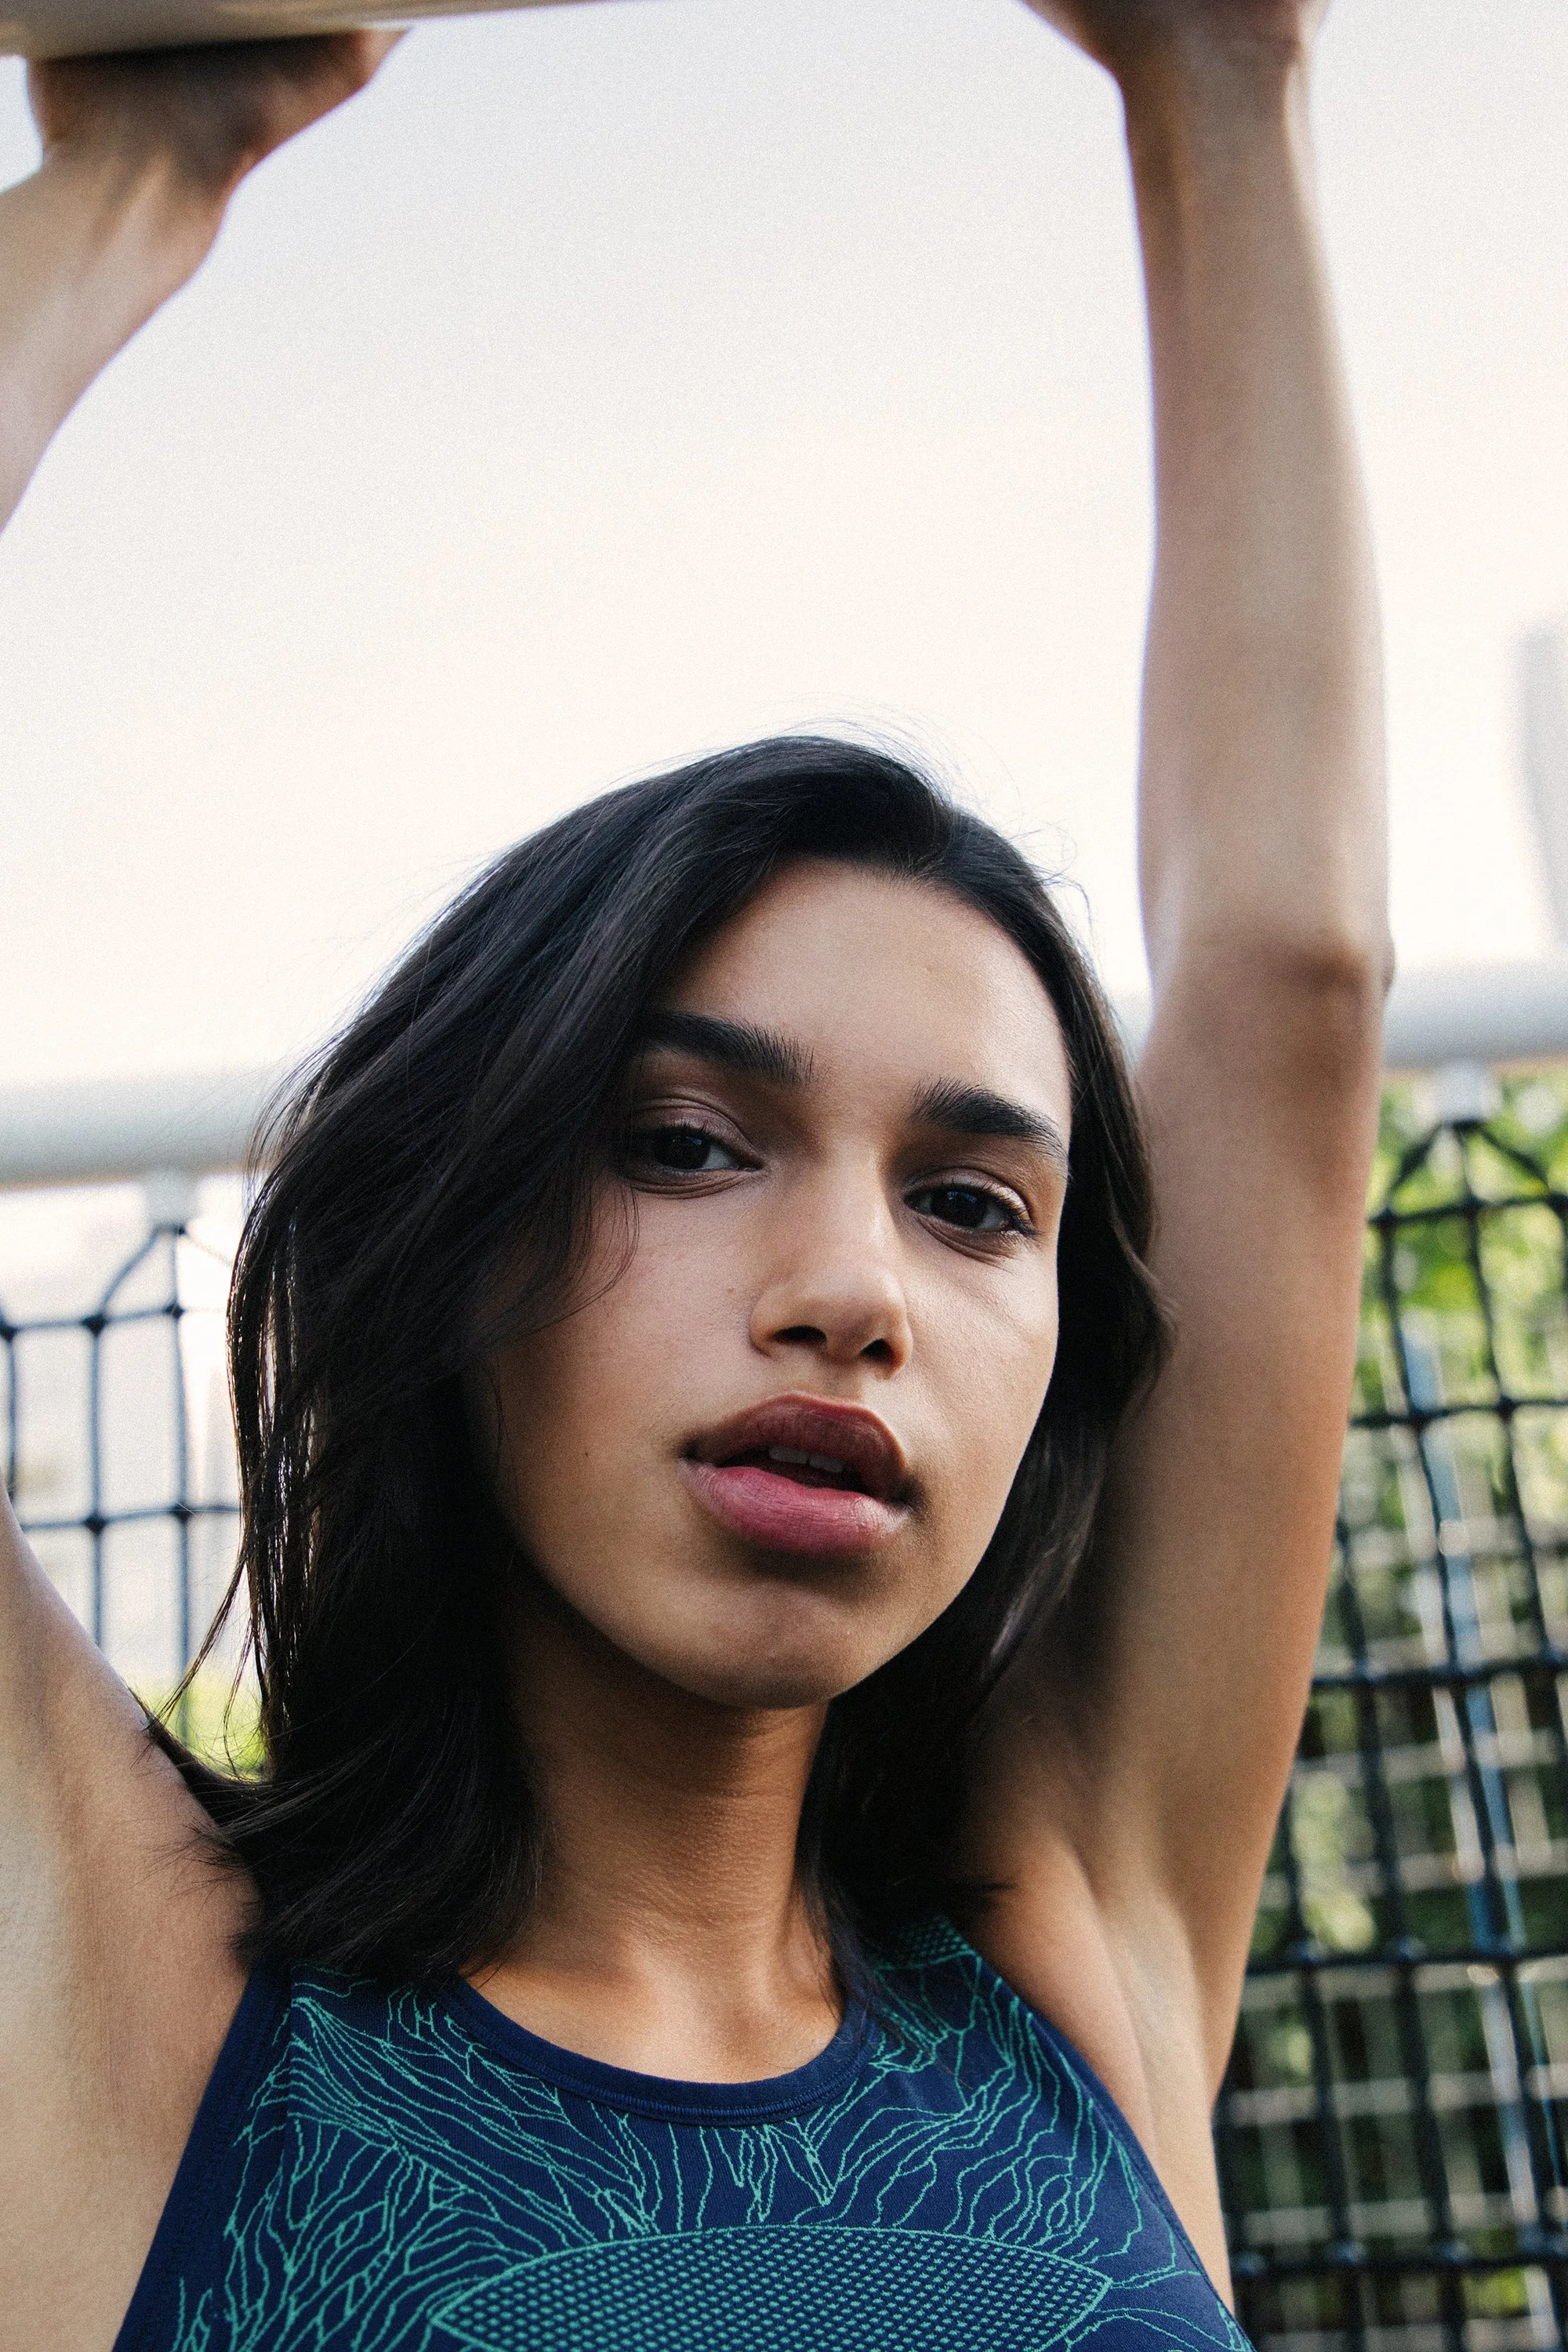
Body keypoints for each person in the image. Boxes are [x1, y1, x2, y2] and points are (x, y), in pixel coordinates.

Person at [0, 2, 1388, 2346]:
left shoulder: (1086, 1947)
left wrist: (1219, 77)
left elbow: (1295, 971)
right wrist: (134, 183)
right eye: (686, 1143)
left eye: (977, 1202)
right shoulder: (142, 2008)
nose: (852, 1286)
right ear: (451, 1244)